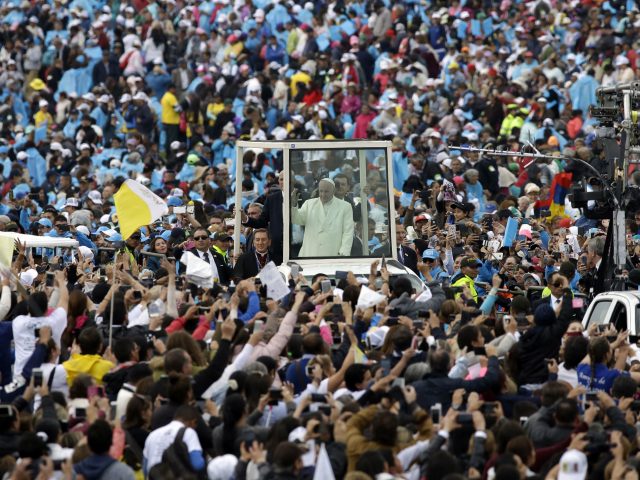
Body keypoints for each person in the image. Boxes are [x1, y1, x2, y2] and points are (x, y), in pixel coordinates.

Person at [291, 178, 355, 257]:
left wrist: (343, 253)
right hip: (310, 254)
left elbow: (348, 232)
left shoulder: (345, 207)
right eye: (321, 191)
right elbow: (296, 220)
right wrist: (293, 206)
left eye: (326, 191)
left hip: (333, 254)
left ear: (333, 191)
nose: (323, 194)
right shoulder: (309, 204)